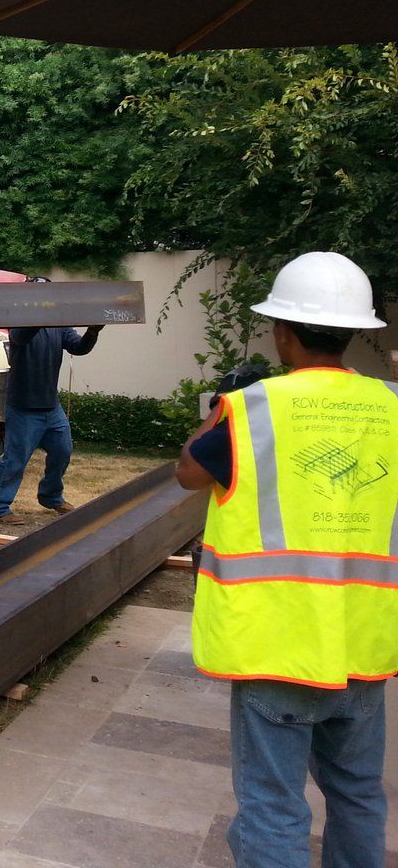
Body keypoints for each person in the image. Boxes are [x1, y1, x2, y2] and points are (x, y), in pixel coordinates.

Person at [176, 251, 396, 868]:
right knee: (357, 793)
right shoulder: (394, 407)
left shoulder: (252, 411)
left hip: (276, 645)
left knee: (274, 807)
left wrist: (225, 405)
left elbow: (187, 474)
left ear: (280, 331)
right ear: (356, 331)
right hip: (364, 643)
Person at [0, 314, 103, 524]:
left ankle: (50, 496)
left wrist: (93, 332)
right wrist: (41, 316)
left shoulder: (59, 325)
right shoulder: (21, 323)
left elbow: (78, 347)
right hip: (23, 407)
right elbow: (21, 337)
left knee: (63, 451)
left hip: (51, 406)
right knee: (15, 461)